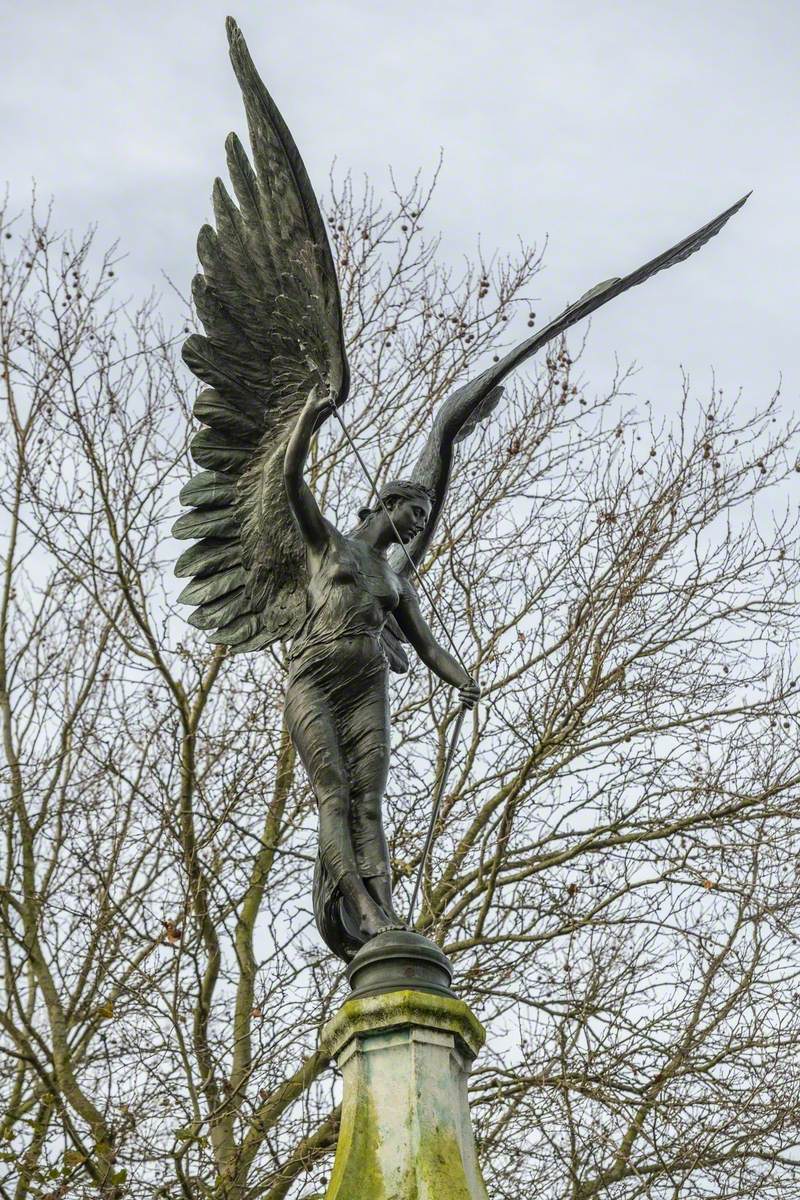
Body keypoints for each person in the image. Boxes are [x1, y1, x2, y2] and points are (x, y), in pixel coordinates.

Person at [283, 388, 480, 958]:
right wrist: (308, 414)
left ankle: (386, 910)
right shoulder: (327, 544)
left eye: (422, 519)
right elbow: (293, 479)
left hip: (368, 687)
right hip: (315, 679)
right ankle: (360, 909)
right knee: (335, 794)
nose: (417, 527)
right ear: (387, 506)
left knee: (369, 800)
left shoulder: (398, 584)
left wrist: (460, 677)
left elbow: (427, 647)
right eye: (412, 515)